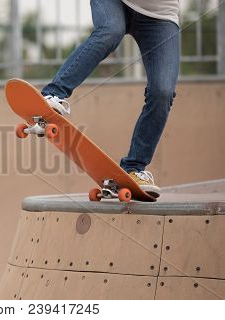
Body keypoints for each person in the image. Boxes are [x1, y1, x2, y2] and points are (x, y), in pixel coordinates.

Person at [42, 0, 180, 197]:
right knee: (110, 31)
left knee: (162, 92)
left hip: (160, 15)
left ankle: (134, 168)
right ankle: (54, 93)